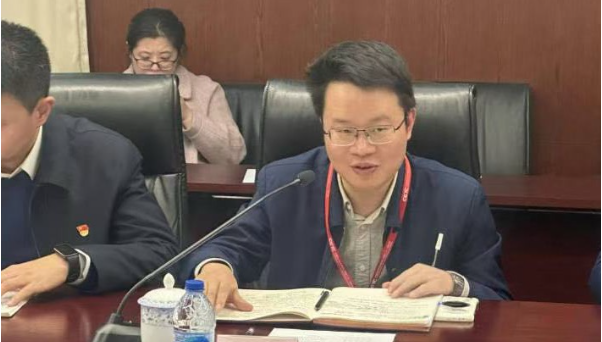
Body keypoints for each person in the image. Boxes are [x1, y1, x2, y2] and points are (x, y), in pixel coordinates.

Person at [182, 40, 511, 311]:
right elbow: (224, 249)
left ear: (409, 123)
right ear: (323, 126)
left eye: (379, 130)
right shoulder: (285, 184)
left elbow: (497, 301)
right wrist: (215, 267)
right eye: (344, 131)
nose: (362, 148)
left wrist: (454, 284)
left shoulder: (459, 197)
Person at [1, 21, 179, 306]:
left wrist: (71, 264)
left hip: (63, 321)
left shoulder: (105, 157)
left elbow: (159, 253)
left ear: (41, 112)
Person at [124, 8, 245, 165]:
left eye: (165, 59)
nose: (155, 68)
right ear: (130, 51)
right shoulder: (110, 92)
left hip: (193, 181)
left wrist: (188, 116)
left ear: (179, 53)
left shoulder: (207, 90)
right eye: (145, 58)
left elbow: (234, 157)